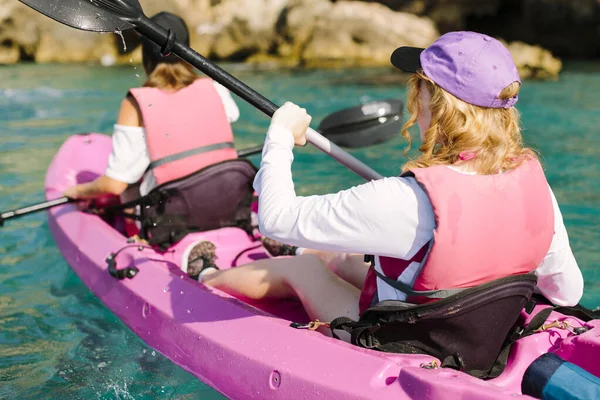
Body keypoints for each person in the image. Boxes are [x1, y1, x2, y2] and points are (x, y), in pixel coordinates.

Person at [196, 31, 584, 338]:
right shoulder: (536, 185)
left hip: (404, 341)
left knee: (305, 273)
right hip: (479, 337)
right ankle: (307, 249)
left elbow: (275, 217)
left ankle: (202, 275)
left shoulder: (407, 200)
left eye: (421, 87)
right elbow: (567, 293)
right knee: (344, 258)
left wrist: (279, 137)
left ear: (438, 104)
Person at [63, 11, 240, 205]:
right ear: (189, 52)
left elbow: (115, 185)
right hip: (230, 203)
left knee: (130, 184)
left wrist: (79, 190)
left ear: (146, 55)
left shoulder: (136, 103)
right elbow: (226, 118)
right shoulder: (216, 88)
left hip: (172, 220)